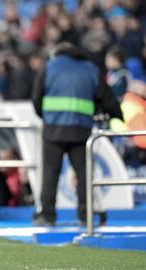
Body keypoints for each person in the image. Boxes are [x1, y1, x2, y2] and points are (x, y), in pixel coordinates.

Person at [32, 42, 123, 226]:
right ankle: (85, 216)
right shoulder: (90, 69)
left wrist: (48, 118)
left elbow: (36, 99)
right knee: (84, 175)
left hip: (53, 131)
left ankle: (47, 216)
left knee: (50, 174)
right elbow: (106, 98)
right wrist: (116, 115)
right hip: (81, 131)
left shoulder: (49, 67)